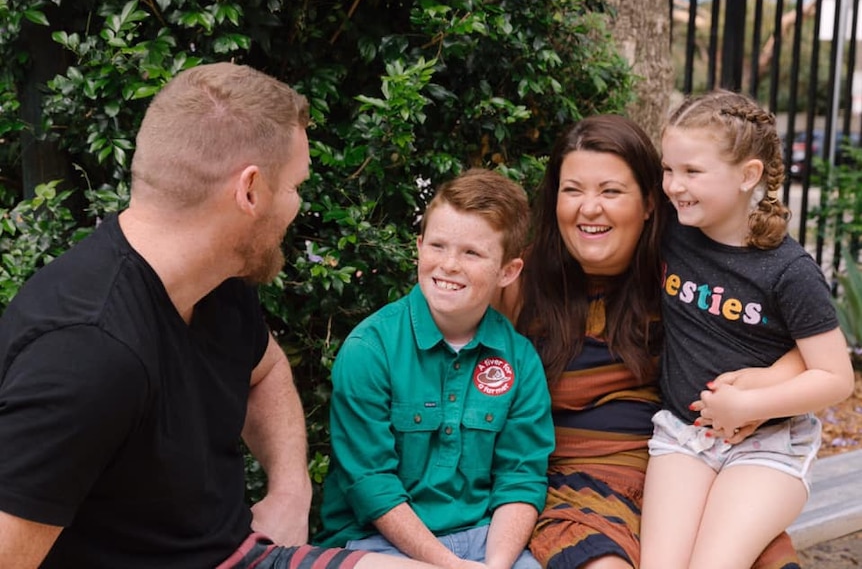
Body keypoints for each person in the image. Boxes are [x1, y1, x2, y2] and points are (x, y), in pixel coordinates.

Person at [0, 62, 442, 569]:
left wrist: (290, 487)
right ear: (250, 191)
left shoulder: (217, 280)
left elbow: (266, 369)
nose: (297, 204)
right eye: (296, 186)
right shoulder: (89, 354)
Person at [495, 113, 806, 569]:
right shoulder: (524, 283)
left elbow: (809, 352)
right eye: (572, 190)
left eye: (610, 191)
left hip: (691, 474)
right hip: (578, 489)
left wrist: (754, 396)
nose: (589, 207)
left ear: (647, 202)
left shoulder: (684, 277)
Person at [639, 90, 855, 569]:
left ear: (748, 175)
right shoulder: (674, 233)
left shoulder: (788, 270)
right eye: (669, 169)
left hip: (769, 446)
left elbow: (836, 376)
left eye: (693, 172)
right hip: (682, 436)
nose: (674, 185)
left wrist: (749, 402)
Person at [314, 169, 556, 569]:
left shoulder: (520, 360)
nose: (449, 265)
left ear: (508, 272)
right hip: (378, 543)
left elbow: (520, 479)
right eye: (438, 246)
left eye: (472, 253)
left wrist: (495, 565)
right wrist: (448, 564)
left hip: (487, 541)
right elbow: (372, 485)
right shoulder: (369, 349)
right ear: (419, 246)